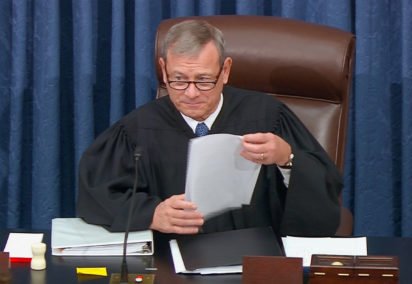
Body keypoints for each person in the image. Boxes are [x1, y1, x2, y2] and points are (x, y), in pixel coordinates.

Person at [77, 19, 343, 237]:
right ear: (163, 69)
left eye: (204, 80)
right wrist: (151, 214)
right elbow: (97, 193)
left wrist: (287, 158)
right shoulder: (137, 129)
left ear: (225, 70)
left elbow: (324, 186)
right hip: (171, 262)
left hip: (256, 261)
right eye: (178, 80)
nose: (191, 93)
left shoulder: (267, 116)